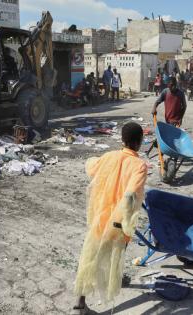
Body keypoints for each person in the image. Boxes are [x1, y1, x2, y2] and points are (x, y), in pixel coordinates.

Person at [73, 122, 148, 315]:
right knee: (115, 252)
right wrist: (124, 220)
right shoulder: (139, 165)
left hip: (99, 217)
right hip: (118, 221)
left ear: (122, 140)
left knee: (90, 256)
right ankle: (112, 279)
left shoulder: (108, 156)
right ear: (139, 142)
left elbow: (91, 168)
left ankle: (79, 304)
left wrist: (90, 159)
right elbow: (131, 194)